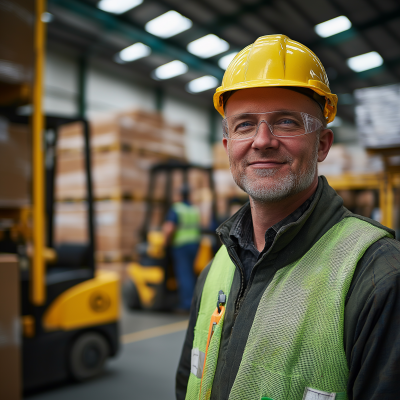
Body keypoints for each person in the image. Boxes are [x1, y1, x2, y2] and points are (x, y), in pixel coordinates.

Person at [176, 35, 400, 400]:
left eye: (286, 122)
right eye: (245, 125)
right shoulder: (218, 265)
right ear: (227, 147)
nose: (262, 140)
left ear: (322, 144)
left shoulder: (378, 276)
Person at [163, 184, 201, 311]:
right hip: (194, 244)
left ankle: (186, 303)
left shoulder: (177, 208)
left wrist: (165, 243)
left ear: (180, 196)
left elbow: (169, 228)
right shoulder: (194, 209)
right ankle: (194, 299)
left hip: (181, 245)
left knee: (184, 273)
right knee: (191, 272)